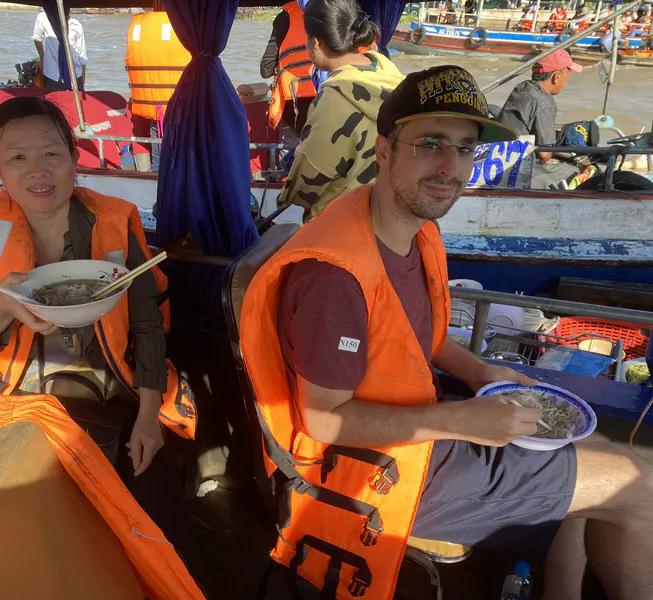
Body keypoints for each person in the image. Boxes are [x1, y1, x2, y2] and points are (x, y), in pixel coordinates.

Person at [241, 64, 653, 600]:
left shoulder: (410, 229)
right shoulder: (335, 279)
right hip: (376, 468)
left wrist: (480, 371)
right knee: (638, 484)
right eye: (430, 143)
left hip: (423, 428)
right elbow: (322, 420)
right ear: (384, 149)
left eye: (465, 148)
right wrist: (463, 419)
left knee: (589, 449)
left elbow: (422, 341)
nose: (449, 166)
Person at [0, 96, 198, 560]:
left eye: (51, 154)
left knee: (155, 509)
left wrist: (148, 417)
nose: (38, 171)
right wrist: (4, 304)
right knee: (17, 535)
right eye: (18, 158)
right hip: (17, 397)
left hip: (113, 390)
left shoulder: (113, 223)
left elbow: (146, 325)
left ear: (73, 156)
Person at [277, 0, 404, 222]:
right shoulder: (393, 78)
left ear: (315, 42)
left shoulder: (334, 99)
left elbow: (307, 180)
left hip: (341, 226)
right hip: (389, 220)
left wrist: (286, 197)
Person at [497, 49, 582, 188]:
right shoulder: (545, 102)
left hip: (503, 157)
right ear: (557, 76)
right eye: (568, 74)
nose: (567, 81)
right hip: (518, 167)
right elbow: (544, 155)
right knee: (573, 170)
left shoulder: (523, 87)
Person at [125, 11, 190, 173]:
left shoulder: (141, 29)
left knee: (158, 159)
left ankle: (157, 179)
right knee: (183, 159)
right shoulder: (186, 28)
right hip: (181, 110)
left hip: (154, 109)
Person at [260, 0, 316, 140]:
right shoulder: (335, 11)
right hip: (327, 102)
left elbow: (266, 69)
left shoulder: (284, 17)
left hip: (293, 111)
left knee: (289, 158)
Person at [32, 2, 87, 92]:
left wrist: (81, 84)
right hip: (52, 75)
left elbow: (82, 58)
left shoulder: (77, 26)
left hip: (75, 75)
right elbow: (37, 38)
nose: (70, 9)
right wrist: (42, 58)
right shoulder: (43, 18)